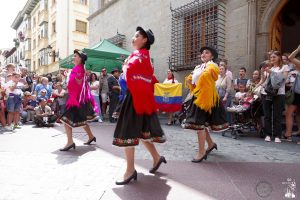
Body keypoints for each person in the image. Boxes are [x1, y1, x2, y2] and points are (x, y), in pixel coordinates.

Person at [113, 27, 166, 185]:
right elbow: (148, 77)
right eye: (134, 35)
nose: (133, 38)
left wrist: (125, 67)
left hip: (135, 98)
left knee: (128, 133)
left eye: (137, 36)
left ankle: (130, 170)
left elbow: (129, 73)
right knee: (142, 133)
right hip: (141, 99)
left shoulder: (139, 56)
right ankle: (156, 158)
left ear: (145, 40)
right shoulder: (143, 57)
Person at [183, 46, 228, 163]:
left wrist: (203, 74)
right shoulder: (199, 66)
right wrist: (189, 80)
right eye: (202, 52)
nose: (203, 54)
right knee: (201, 124)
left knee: (199, 125)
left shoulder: (212, 66)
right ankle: (211, 144)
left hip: (206, 99)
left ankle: (201, 151)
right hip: (198, 97)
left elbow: (213, 73)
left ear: (212, 56)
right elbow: (193, 79)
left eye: (207, 53)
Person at [60, 49, 98, 151]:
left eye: (76, 56)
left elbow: (77, 85)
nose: (73, 57)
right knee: (82, 120)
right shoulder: (78, 68)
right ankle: (90, 136)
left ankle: (70, 142)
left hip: (76, 100)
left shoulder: (79, 69)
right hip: (77, 99)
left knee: (65, 120)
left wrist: (72, 96)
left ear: (80, 59)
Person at [260, 51, 289, 143]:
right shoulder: (270, 67)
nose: (272, 59)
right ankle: (268, 134)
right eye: (271, 57)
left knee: (277, 115)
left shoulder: (285, 67)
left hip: (279, 94)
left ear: (279, 57)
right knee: (267, 115)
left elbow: (283, 78)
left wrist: (271, 72)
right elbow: (264, 81)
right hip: (267, 93)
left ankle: (277, 135)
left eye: (274, 57)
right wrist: (262, 73)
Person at [285, 45, 300, 144]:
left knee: (291, 113)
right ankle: (288, 134)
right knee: (289, 113)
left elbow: (290, 58)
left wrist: (298, 49)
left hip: (298, 92)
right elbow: (290, 58)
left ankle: (288, 135)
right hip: (297, 93)